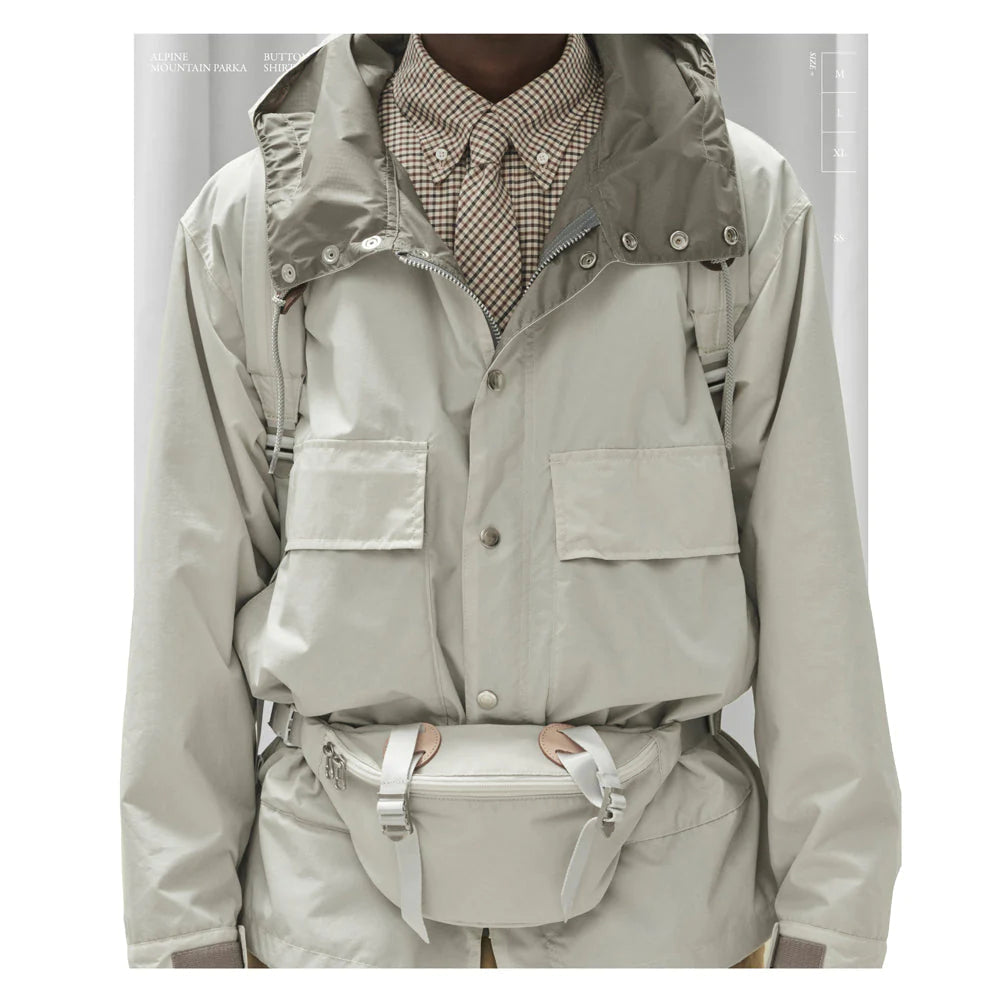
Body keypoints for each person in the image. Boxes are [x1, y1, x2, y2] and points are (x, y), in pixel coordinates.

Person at [121, 33, 901, 969]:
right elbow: (186, 606)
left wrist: (833, 929)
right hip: (337, 937)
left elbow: (814, 585)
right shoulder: (250, 225)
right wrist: (185, 937)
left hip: (667, 938)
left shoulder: (739, 206)